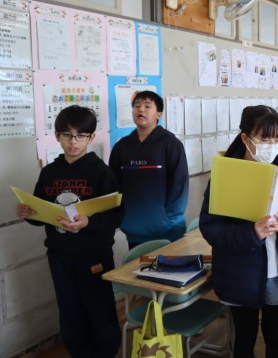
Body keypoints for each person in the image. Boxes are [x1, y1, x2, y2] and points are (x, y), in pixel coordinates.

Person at [199, 105, 278, 358]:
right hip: (239, 275)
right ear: (245, 138)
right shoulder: (226, 175)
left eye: (277, 139)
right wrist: (252, 233)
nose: (272, 146)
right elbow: (210, 228)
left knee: (275, 336)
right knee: (244, 338)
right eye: (265, 139)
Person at [16, 105, 123, 357]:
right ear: (57, 136)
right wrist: (29, 214)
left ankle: (106, 351)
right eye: (67, 135)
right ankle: (78, 352)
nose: (73, 142)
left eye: (80, 136)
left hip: (94, 255)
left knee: (98, 307)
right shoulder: (49, 173)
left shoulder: (101, 172)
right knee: (69, 310)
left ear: (91, 138)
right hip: (60, 255)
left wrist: (89, 223)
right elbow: (42, 215)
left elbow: (117, 215)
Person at [108, 90, 189, 249]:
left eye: (147, 106)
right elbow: (114, 186)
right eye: (137, 106)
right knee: (136, 264)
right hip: (133, 228)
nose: (141, 109)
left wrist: (170, 218)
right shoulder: (121, 146)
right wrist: (121, 217)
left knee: (170, 264)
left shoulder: (171, 144)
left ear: (159, 114)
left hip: (168, 229)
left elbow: (180, 184)